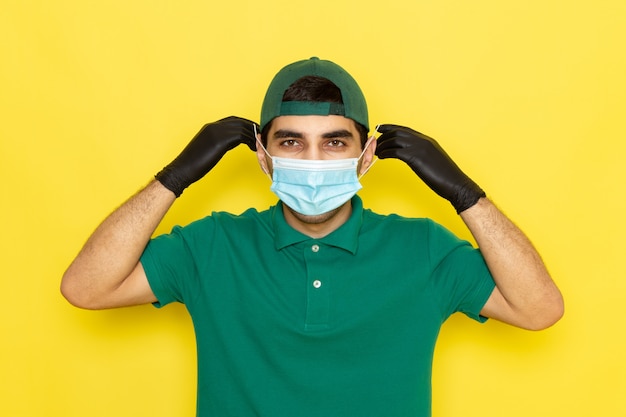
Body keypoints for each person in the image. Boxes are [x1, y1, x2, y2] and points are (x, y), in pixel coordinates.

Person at [61, 57, 564, 417]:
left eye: (335, 142)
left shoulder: (423, 249)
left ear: (366, 155)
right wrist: (173, 177)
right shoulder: (212, 246)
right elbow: (86, 288)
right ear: (263, 154)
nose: (314, 163)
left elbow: (539, 309)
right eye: (291, 142)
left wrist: (465, 193)